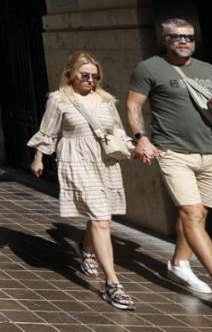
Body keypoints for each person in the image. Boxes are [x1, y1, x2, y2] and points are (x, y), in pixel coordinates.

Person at [126, 18, 212, 315]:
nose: (183, 41)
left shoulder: (208, 70)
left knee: (200, 214)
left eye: (188, 37)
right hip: (172, 151)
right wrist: (140, 139)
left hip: (208, 152)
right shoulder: (150, 68)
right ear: (165, 40)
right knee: (192, 213)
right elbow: (133, 106)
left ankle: (178, 263)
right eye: (176, 37)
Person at [28, 51, 134, 310]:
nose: (90, 80)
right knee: (100, 219)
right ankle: (113, 284)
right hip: (76, 160)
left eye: (95, 76)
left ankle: (86, 250)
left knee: (101, 215)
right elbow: (48, 131)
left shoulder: (106, 100)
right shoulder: (59, 100)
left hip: (105, 162)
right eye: (84, 75)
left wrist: (132, 145)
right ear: (71, 75)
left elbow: (117, 129)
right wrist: (39, 157)